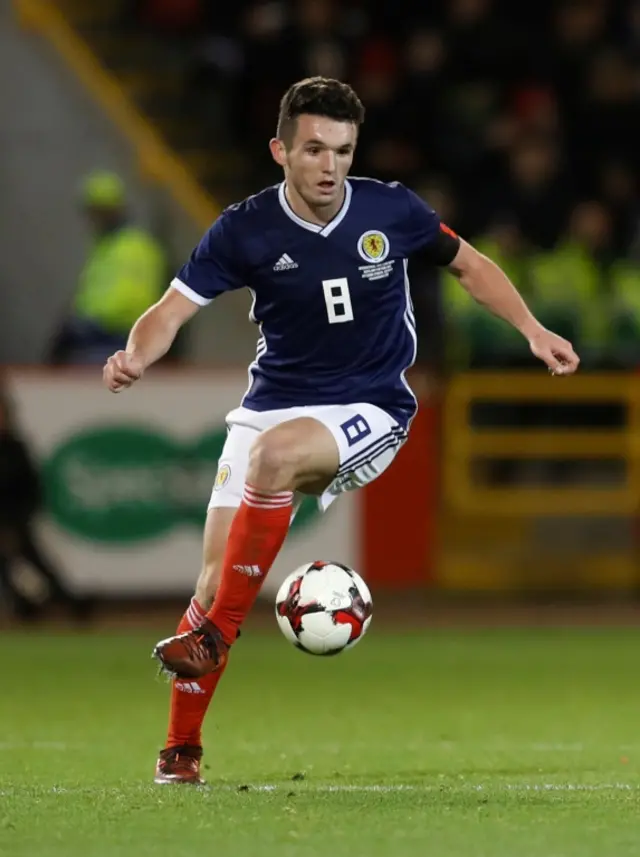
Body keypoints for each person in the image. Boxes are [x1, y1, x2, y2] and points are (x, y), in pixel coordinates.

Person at [102, 77, 580, 785]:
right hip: (272, 402)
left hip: (372, 405)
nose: (330, 166)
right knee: (212, 579)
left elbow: (471, 266)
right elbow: (171, 309)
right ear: (281, 151)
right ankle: (181, 749)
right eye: (316, 149)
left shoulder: (393, 209)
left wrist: (533, 329)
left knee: (273, 464)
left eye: (344, 150)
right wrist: (136, 351)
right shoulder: (246, 228)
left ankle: (214, 636)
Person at [49, 171, 166, 365]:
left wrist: (84, 325)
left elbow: (130, 302)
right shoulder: (108, 246)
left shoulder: (134, 247)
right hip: (101, 337)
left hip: (117, 340)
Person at [0, 390, 89, 622]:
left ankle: (62, 600)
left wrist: (18, 520)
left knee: (33, 555)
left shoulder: (16, 449)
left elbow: (30, 488)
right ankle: (23, 603)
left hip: (17, 519)